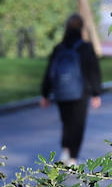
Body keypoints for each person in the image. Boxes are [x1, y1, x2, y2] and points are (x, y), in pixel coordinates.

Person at [40, 14, 102, 164]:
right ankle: (73, 158)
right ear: (81, 28)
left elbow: (50, 72)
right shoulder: (86, 48)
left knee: (66, 122)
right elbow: (93, 71)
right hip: (81, 92)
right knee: (78, 124)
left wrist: (45, 94)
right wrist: (96, 93)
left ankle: (65, 151)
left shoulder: (59, 48)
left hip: (61, 91)